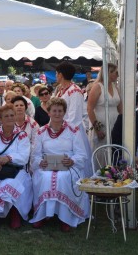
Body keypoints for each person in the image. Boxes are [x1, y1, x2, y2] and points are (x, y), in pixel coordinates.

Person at [29, 98, 89, 232]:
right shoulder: (41, 131)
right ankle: (43, 215)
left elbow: (81, 154)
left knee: (62, 178)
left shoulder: (73, 130)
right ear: (49, 112)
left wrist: (72, 160)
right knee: (45, 178)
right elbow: (35, 154)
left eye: (60, 111)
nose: (57, 114)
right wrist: (40, 162)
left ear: (64, 112)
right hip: (46, 167)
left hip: (69, 166)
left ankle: (65, 217)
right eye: (54, 111)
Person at [0, 104, 32, 229]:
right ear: (0, 119)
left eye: (12, 115)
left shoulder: (22, 135)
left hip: (16, 170)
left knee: (10, 183)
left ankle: (15, 213)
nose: (9, 118)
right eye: (6, 116)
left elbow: (24, 157)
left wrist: (8, 158)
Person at [54, 61, 93, 177]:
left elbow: (74, 118)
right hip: (60, 129)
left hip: (72, 132)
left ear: (60, 75)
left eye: (56, 73)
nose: (56, 76)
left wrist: (61, 132)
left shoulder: (75, 91)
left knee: (74, 164)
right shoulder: (61, 90)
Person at [87, 63, 122, 160]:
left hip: (115, 123)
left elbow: (120, 108)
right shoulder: (97, 87)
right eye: (116, 73)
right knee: (101, 151)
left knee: (114, 148)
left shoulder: (116, 87)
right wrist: (97, 129)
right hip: (101, 123)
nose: (117, 75)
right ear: (108, 73)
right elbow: (90, 109)